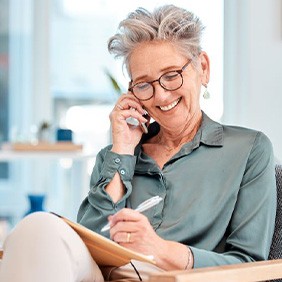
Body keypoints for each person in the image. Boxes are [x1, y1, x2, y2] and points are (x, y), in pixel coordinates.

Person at [0, 4, 276, 282]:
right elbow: (88, 246)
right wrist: (123, 149)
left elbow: (249, 262)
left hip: (178, 278)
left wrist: (160, 250)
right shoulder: (117, 155)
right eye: (144, 84)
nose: (160, 96)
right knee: (37, 226)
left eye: (171, 75)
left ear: (202, 68)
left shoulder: (248, 150)